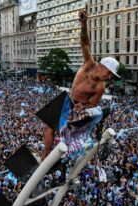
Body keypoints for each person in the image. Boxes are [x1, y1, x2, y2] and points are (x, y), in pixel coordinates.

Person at [42, 4, 121, 160]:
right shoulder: (89, 65)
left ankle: (59, 156)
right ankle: (46, 156)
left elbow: (94, 104)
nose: (110, 77)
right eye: (110, 73)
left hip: (79, 109)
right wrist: (84, 24)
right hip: (67, 100)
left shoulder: (101, 87)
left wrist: (83, 106)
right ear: (103, 66)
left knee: (66, 135)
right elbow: (85, 43)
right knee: (48, 127)